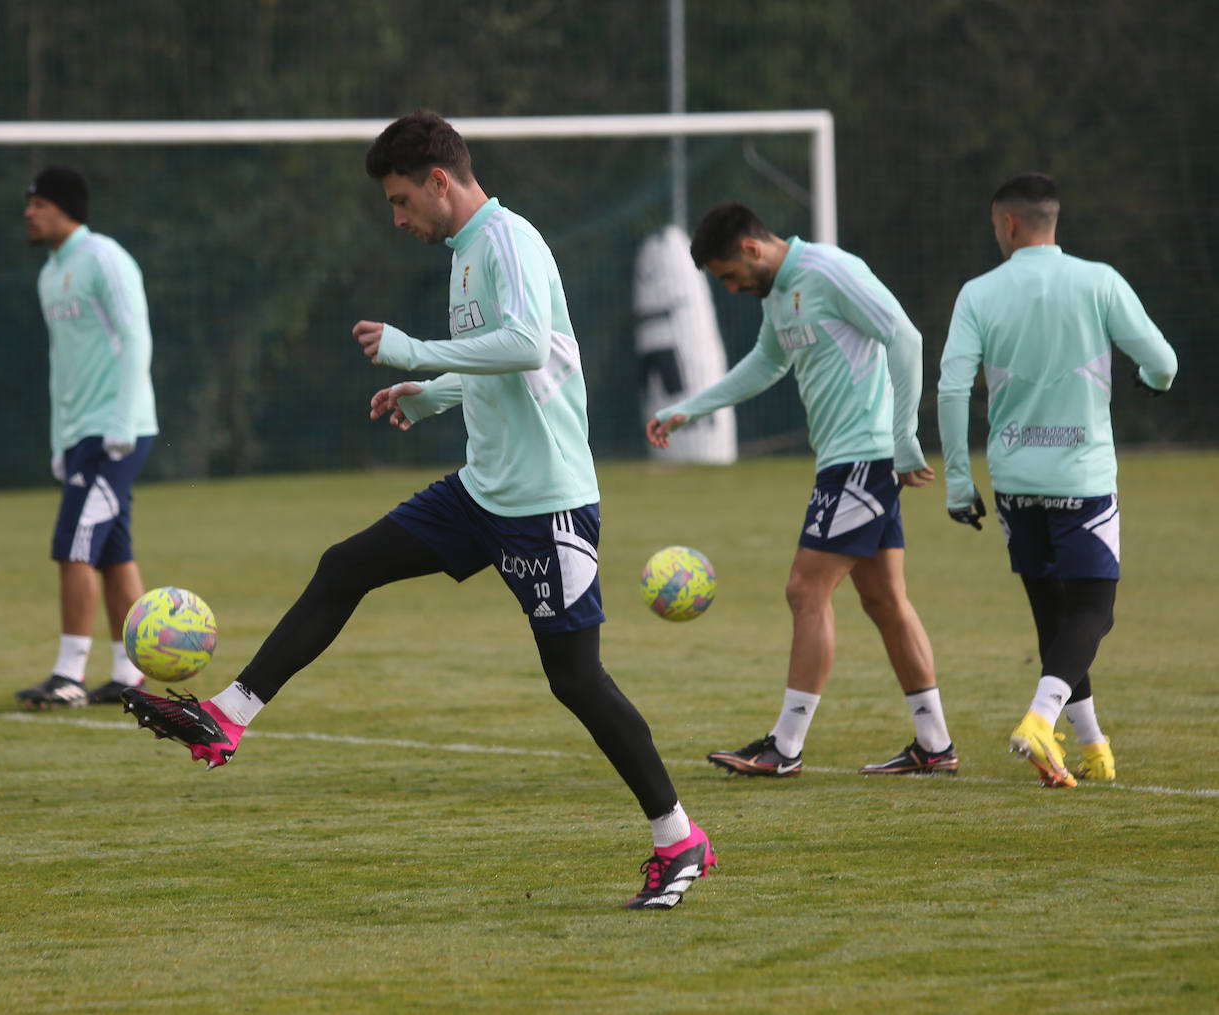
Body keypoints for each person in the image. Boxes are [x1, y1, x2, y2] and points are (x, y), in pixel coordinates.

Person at [122, 111, 716, 910]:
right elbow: (510, 362)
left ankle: (679, 837)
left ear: (441, 180)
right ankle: (227, 717)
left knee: (576, 679)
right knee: (345, 565)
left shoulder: (507, 241)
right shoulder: (466, 252)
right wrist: (433, 394)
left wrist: (418, 352)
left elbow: (531, 344)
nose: (397, 219)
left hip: (546, 505)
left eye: (401, 200)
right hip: (480, 490)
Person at [648, 201, 956, 778]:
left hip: (863, 459)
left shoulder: (829, 271)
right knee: (884, 600)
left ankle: (784, 747)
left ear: (751, 249)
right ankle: (934, 745)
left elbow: (905, 337)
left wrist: (905, 434)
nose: (734, 289)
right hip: (845, 463)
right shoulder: (780, 294)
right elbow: (766, 365)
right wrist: (689, 409)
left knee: (803, 590)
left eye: (730, 276)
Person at [937, 172, 1177, 788]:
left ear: (1009, 224)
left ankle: (1091, 747)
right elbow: (1163, 363)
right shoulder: (1098, 281)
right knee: (1094, 611)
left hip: (1016, 480)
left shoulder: (978, 293)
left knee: (1056, 617)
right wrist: (1151, 383)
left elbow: (953, 388)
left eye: (995, 226)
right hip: (1083, 475)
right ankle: (1041, 721)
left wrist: (960, 484)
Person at [15, 165, 159, 709]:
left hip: (116, 431)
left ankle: (68, 675)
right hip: (81, 434)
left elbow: (135, 337)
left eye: (37, 204)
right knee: (113, 553)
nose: (28, 213)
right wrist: (60, 439)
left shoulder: (104, 257)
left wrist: (121, 425)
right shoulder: (51, 274)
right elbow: (62, 364)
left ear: (62, 207)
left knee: (73, 543)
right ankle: (130, 674)